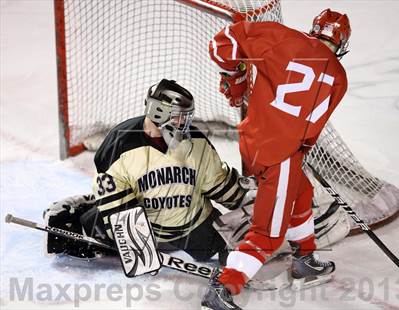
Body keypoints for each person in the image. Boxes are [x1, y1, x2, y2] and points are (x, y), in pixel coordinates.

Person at [202, 9, 351, 309]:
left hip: (253, 143)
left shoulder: (281, 37)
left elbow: (223, 42)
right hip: (280, 155)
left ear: (315, 29)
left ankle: (305, 260)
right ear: (342, 43)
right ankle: (223, 289)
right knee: (268, 233)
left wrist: (236, 74)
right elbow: (310, 131)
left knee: (302, 191)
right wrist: (296, 151)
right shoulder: (338, 77)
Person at [43, 79, 249, 265]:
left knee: (223, 253)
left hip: (190, 224)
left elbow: (219, 183)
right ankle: (81, 208)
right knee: (85, 240)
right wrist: (136, 242)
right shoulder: (121, 142)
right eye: (179, 117)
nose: (184, 124)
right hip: (144, 223)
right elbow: (116, 203)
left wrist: (249, 199)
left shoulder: (196, 142)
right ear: (159, 112)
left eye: (186, 118)